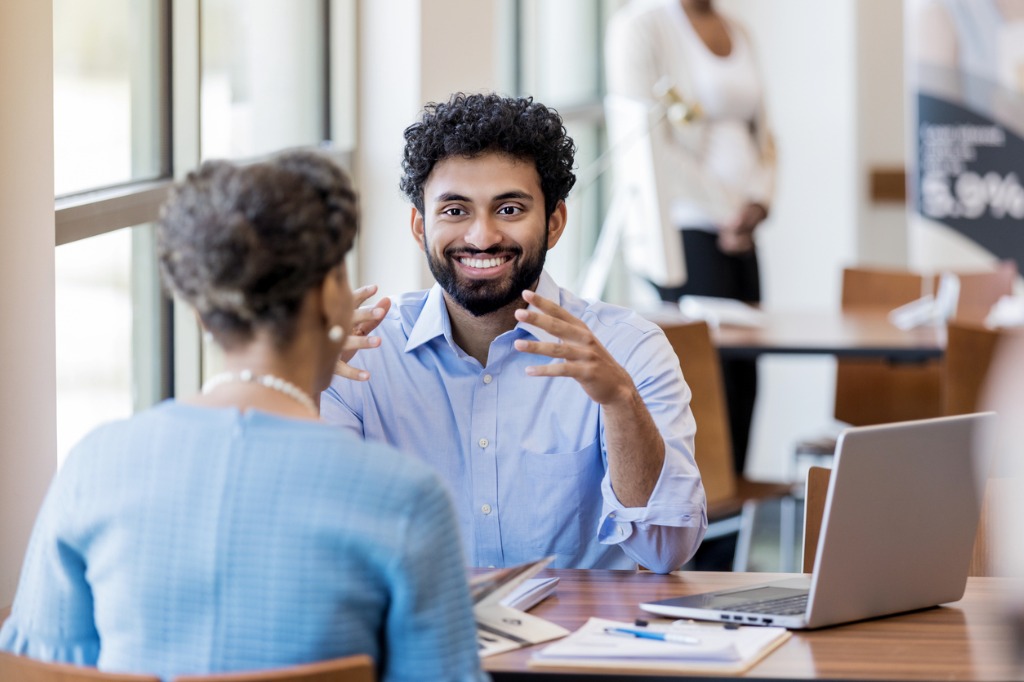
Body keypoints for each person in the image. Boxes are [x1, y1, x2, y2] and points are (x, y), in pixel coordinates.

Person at [0, 152, 487, 682]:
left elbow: (40, 668)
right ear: (331, 295)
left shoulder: (94, 465)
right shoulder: (404, 498)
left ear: (198, 308)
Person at [321, 92, 707, 574]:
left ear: (554, 222)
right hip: (424, 619)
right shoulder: (360, 355)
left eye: (508, 209)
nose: (482, 238)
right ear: (420, 227)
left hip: (578, 624)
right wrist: (299, 387)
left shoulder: (630, 348)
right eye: (455, 210)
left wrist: (619, 401)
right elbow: (315, 541)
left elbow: (665, 551)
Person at [605, 0, 777, 480]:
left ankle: (733, 513)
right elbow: (646, 141)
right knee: (704, 384)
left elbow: (765, 136)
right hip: (685, 231)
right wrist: (728, 208)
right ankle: (697, 513)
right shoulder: (641, 29)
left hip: (742, 232)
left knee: (744, 376)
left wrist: (759, 201)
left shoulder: (738, 31)